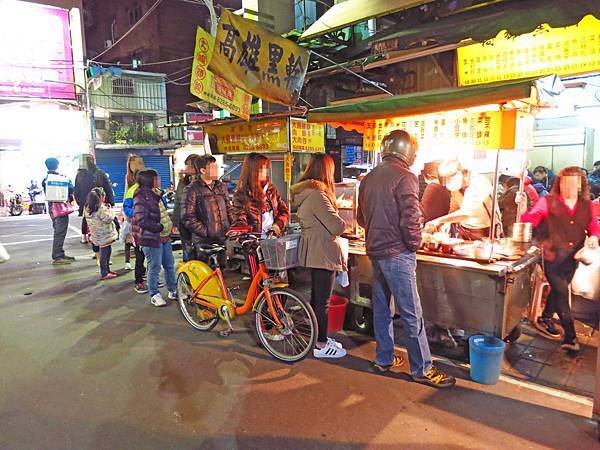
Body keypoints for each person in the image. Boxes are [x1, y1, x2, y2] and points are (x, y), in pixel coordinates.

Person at [357, 129, 455, 388]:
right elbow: (411, 219)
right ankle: (422, 368)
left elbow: (360, 218)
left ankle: (383, 359)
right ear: (407, 151)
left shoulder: (368, 179)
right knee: (412, 314)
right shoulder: (405, 177)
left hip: (375, 252)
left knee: (381, 310)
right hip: (398, 255)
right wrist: (415, 244)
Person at [519, 166, 600, 353]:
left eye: (575, 182)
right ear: (560, 183)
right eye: (566, 182)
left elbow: (593, 226)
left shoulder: (586, 205)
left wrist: (595, 236)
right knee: (562, 294)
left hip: (573, 257)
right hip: (551, 256)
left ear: (581, 185)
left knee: (558, 291)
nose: (570, 186)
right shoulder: (547, 202)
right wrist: (523, 208)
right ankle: (570, 336)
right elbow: (531, 220)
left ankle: (545, 317)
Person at [291, 154, 347, 359]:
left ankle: (318, 337)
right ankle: (321, 345)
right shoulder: (317, 195)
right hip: (323, 252)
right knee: (322, 301)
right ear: (326, 171)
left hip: (315, 250)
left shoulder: (306, 192)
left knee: (317, 298)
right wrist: (341, 219)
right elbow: (337, 226)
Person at [132, 169, 177, 307]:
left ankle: (173, 289)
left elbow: (162, 214)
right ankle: (154, 294)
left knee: (169, 265)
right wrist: (160, 228)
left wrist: (168, 227)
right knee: (154, 266)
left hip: (165, 237)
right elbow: (142, 220)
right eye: (156, 178)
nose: (159, 179)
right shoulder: (141, 196)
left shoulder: (157, 193)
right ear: (149, 180)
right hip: (151, 238)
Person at [424, 160, 499, 240]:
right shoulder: (456, 187)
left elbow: (466, 213)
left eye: (449, 179)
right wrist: (447, 222)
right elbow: (454, 207)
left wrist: (439, 221)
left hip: (485, 229)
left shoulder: (479, 182)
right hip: (464, 229)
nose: (448, 183)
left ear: (459, 174)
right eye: (445, 180)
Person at [181, 155, 232, 263]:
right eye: (213, 168)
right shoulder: (191, 189)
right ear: (203, 170)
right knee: (206, 273)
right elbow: (187, 217)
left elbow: (229, 209)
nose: (217, 170)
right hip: (203, 243)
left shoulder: (221, 186)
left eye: (217, 167)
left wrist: (233, 227)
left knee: (221, 272)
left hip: (222, 239)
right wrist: (206, 231)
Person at [231, 153, 289, 238]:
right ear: (253, 171)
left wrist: (278, 225)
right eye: (262, 168)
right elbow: (240, 221)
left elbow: (284, 211)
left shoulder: (271, 189)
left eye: (266, 168)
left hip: (273, 240)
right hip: (253, 243)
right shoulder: (241, 195)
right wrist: (241, 232)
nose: (266, 171)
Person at [74, 154, 115, 244]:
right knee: (90, 221)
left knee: (98, 221)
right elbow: (77, 190)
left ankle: (98, 242)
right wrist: (80, 202)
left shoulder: (99, 173)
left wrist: (110, 202)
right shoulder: (80, 175)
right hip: (88, 203)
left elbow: (108, 188)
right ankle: (90, 239)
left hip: (97, 202)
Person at [42, 157, 75, 265]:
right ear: (57, 165)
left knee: (58, 230)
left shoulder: (46, 178)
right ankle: (57, 256)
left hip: (52, 208)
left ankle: (60, 253)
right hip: (60, 207)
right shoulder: (59, 178)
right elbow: (70, 189)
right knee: (60, 232)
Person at [123, 155, 147, 293]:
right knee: (139, 253)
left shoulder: (147, 182)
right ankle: (139, 281)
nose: (139, 164)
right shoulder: (130, 184)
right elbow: (127, 205)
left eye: (141, 162)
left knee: (148, 254)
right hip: (136, 224)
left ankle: (146, 276)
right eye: (137, 163)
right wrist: (132, 217)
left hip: (148, 225)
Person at [84, 189, 118, 280]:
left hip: (96, 234)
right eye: (103, 196)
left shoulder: (87, 207)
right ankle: (105, 273)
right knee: (105, 254)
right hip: (104, 234)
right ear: (100, 198)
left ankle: (107, 270)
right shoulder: (100, 208)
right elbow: (108, 218)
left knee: (107, 251)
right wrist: (110, 210)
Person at [173, 154, 201, 261]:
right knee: (187, 249)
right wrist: (175, 222)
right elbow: (178, 202)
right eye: (186, 166)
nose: (186, 169)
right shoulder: (183, 182)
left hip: (199, 223)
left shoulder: (203, 182)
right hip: (185, 223)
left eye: (189, 166)